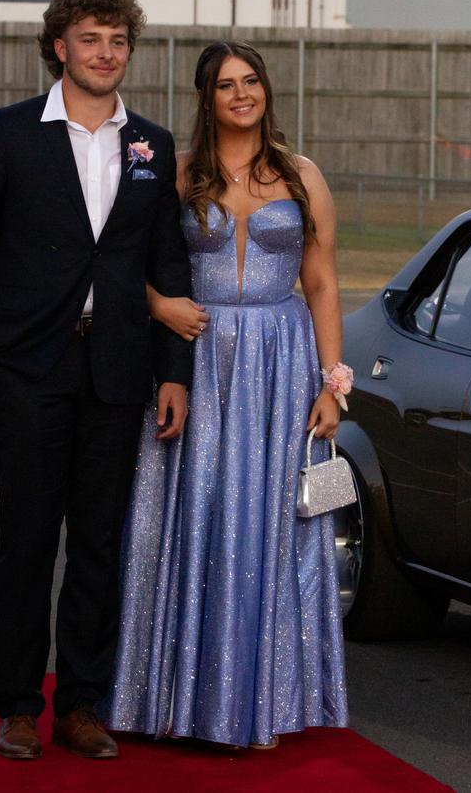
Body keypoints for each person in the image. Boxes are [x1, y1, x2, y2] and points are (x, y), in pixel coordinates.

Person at [0, 0, 192, 761]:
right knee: (26, 539)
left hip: (118, 373)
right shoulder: (8, 131)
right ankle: (17, 702)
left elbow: (167, 260)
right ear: (60, 46)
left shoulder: (153, 143)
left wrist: (175, 371)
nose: (106, 53)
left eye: (118, 41)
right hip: (28, 369)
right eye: (91, 39)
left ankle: (81, 701)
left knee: (98, 542)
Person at [102, 41, 349, 748]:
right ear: (207, 98)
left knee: (270, 527)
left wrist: (334, 382)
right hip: (195, 358)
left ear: (266, 89)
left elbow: (324, 282)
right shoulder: (176, 173)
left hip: (281, 365)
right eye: (225, 86)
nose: (242, 94)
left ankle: (260, 699)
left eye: (251, 82)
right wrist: (159, 304)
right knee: (189, 514)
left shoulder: (302, 176)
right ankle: (171, 698)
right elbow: (120, 261)